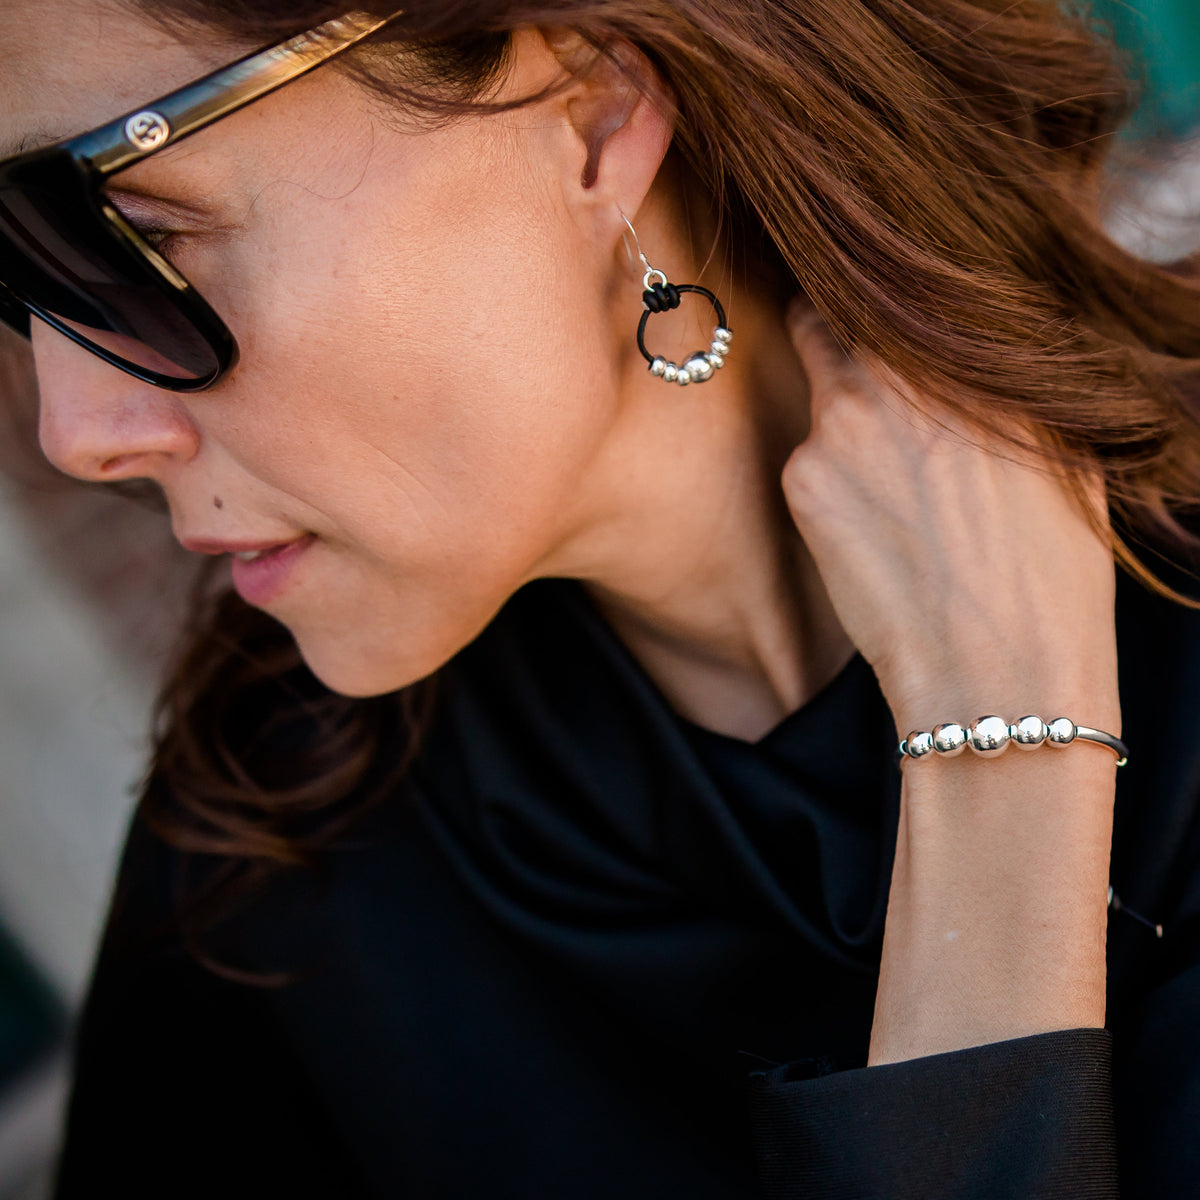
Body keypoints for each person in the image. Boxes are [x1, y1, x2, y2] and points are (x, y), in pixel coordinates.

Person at [1, 1, 1198, 1196]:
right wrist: (1009, 784)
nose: (75, 432)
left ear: (591, 111)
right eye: (20, 277)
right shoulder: (270, 876)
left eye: (127, 245)